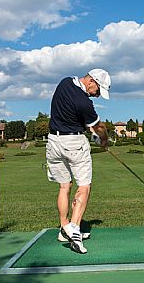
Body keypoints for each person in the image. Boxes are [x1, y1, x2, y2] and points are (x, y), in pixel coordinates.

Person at [46, 68, 110, 253]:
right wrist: (104, 140)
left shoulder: (64, 82)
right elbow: (99, 127)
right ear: (92, 81)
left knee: (64, 186)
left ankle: (64, 228)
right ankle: (74, 229)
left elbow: (72, 115)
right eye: (98, 91)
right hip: (74, 144)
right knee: (84, 186)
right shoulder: (85, 103)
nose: (97, 95)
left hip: (53, 142)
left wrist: (88, 129)